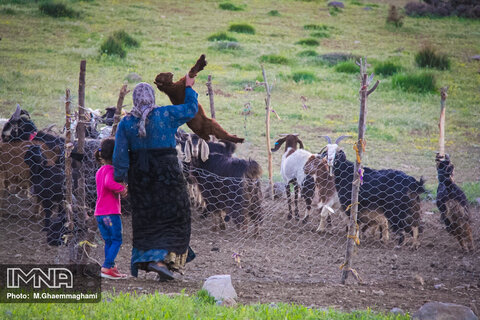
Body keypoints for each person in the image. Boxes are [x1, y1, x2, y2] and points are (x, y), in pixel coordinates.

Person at [113, 74, 197, 281]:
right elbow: (190, 109)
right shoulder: (165, 114)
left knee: (147, 219)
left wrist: (121, 179)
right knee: (176, 216)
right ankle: (164, 261)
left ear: (134, 99)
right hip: (167, 174)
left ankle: (157, 261)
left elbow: (120, 154)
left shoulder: (126, 123)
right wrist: (188, 88)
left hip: (141, 177)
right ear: (152, 97)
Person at [94, 137, 128, 279]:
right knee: (116, 240)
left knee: (109, 241)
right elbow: (109, 183)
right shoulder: (110, 170)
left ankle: (111, 267)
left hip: (100, 214)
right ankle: (107, 267)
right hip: (110, 214)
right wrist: (123, 189)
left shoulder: (100, 170)